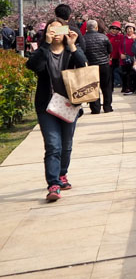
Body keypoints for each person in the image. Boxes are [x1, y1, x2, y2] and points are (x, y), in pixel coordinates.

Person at [26, 20, 88, 202]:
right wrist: (45, 44)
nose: (56, 32)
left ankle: (62, 174)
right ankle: (53, 184)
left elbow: (84, 65)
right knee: (53, 145)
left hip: (69, 104)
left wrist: (72, 45)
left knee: (66, 145)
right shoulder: (43, 51)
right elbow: (33, 66)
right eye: (51, 29)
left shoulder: (70, 51)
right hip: (47, 105)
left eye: (59, 29)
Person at [82, 20, 113, 114]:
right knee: (106, 87)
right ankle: (107, 107)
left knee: (92, 87)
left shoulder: (83, 39)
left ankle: (95, 108)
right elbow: (110, 50)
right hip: (104, 65)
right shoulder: (104, 37)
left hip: (90, 66)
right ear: (96, 27)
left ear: (86, 28)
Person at [119, 24, 136, 94]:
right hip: (125, 58)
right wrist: (121, 54)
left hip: (133, 59)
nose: (129, 30)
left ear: (134, 30)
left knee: (131, 73)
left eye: (131, 28)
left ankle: (130, 88)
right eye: (128, 29)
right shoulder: (123, 38)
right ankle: (124, 87)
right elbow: (120, 47)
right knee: (124, 73)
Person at [107, 22, 123, 90]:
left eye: (117, 29)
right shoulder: (106, 36)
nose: (114, 30)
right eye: (113, 28)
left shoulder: (121, 37)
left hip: (118, 58)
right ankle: (111, 87)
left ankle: (118, 83)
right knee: (110, 74)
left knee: (117, 71)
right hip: (109, 58)